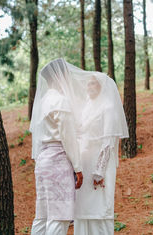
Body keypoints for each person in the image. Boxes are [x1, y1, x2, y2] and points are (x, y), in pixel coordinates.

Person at [29, 59, 83, 235]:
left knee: (42, 215)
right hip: (58, 161)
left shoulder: (43, 101)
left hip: (42, 161)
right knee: (60, 216)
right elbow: (68, 138)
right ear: (60, 77)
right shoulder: (60, 101)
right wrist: (78, 167)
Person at [73, 73, 129, 235]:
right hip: (85, 160)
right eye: (88, 84)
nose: (89, 87)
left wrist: (100, 171)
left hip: (100, 162)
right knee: (83, 206)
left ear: (101, 86)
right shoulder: (87, 106)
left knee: (100, 205)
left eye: (93, 84)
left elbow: (108, 141)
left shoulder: (108, 107)